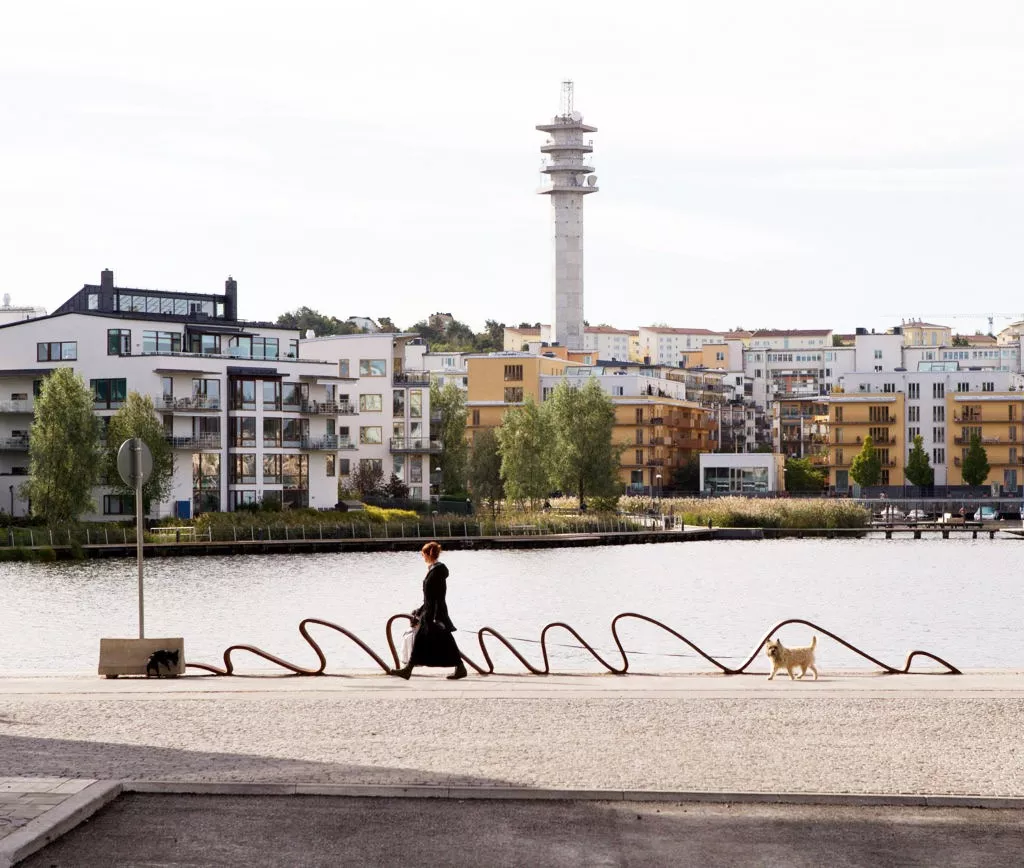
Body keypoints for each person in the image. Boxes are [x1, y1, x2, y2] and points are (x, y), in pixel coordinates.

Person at [389, 541, 467, 680]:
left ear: (427, 554)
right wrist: (419, 611)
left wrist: (436, 617)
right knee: (440, 640)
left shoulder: (437, 572)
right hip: (430, 612)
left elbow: (437, 597)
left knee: (435, 639)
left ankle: (408, 670)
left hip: (434, 614)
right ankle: (459, 667)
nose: (422, 557)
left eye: (423, 554)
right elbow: (429, 597)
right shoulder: (434, 570)